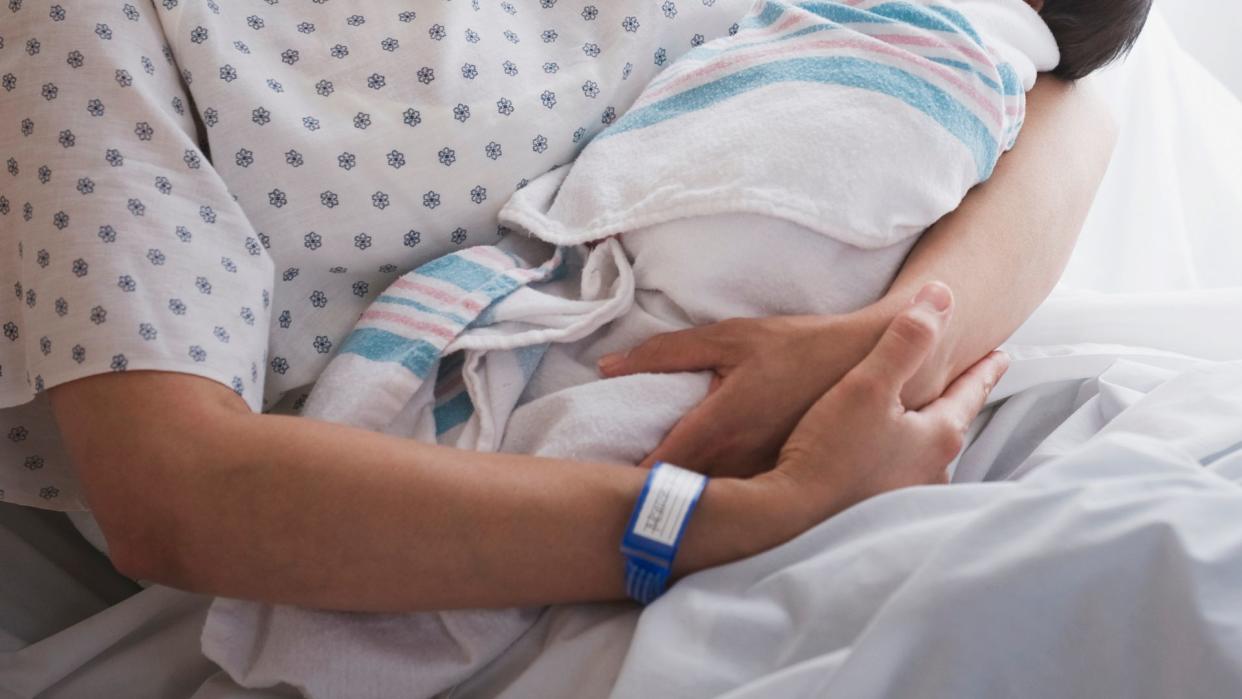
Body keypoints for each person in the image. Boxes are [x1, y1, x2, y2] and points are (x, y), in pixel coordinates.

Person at [0, 1, 1115, 616]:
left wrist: (878, 358)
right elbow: (181, 495)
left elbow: (1066, 104)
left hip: (873, 419)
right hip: (491, 545)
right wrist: (762, 514)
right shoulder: (81, 29)